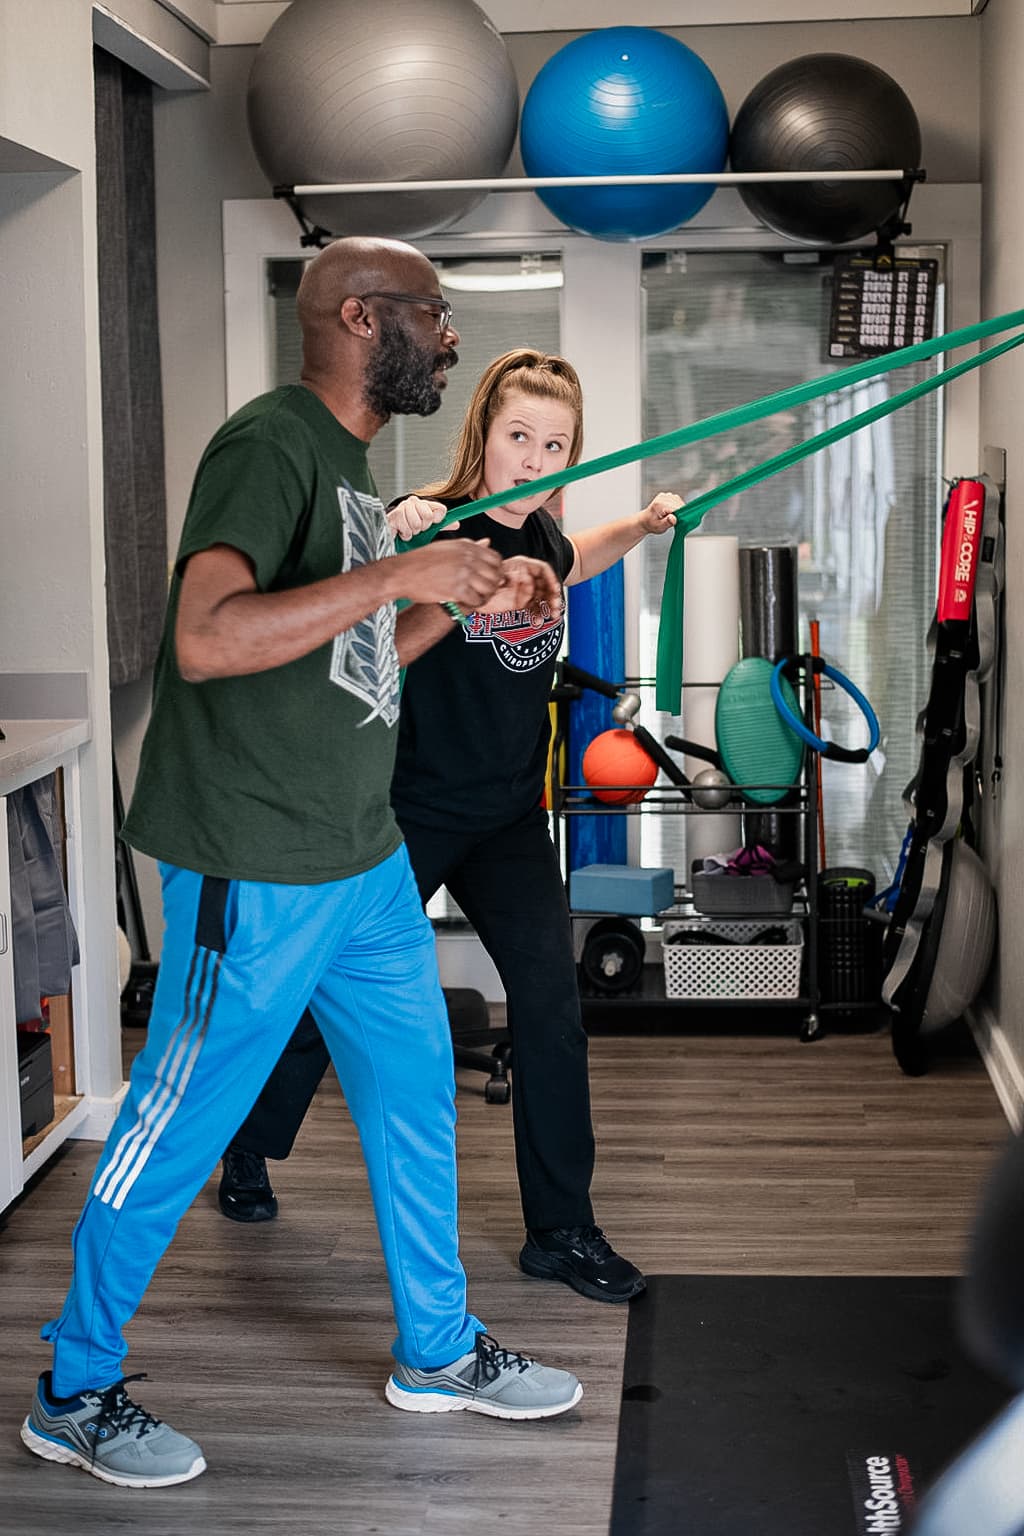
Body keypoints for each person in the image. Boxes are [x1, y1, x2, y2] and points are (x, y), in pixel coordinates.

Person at [20, 243, 583, 1491]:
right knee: (172, 1126)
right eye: (432, 317)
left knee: (413, 1101)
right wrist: (403, 569)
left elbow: (356, 645)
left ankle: (435, 1349)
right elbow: (211, 639)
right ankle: (73, 1384)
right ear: (358, 316)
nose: (447, 340)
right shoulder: (270, 445)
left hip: (361, 852)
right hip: (257, 862)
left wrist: (471, 609)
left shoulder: (350, 464)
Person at [219, 348, 682, 1306]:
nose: (533, 456)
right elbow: (371, 580)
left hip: (509, 819)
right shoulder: (436, 529)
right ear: (484, 432)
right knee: (324, 990)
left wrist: (638, 525)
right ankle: (251, 1148)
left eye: (554, 443)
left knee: (554, 1011)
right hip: (410, 809)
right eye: (519, 436)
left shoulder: (546, 538)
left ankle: (561, 1229)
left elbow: (579, 555)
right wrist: (400, 530)